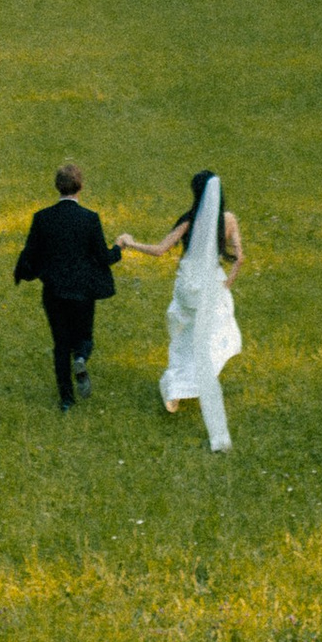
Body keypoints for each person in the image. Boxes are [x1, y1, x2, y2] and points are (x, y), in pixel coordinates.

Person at [119, 170, 242, 452]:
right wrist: (225, 284)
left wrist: (130, 242)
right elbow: (239, 257)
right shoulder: (229, 220)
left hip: (189, 288)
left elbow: (161, 250)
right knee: (209, 336)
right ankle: (199, 379)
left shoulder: (189, 220)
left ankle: (178, 388)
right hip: (212, 286)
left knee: (185, 337)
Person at [12, 161, 120, 411]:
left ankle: (66, 400)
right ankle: (81, 358)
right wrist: (119, 248)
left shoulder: (42, 218)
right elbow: (103, 257)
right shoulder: (90, 219)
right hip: (83, 292)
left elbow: (31, 253)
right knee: (84, 336)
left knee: (61, 344)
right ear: (80, 187)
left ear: (57, 187)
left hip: (54, 291)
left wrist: (29, 272)